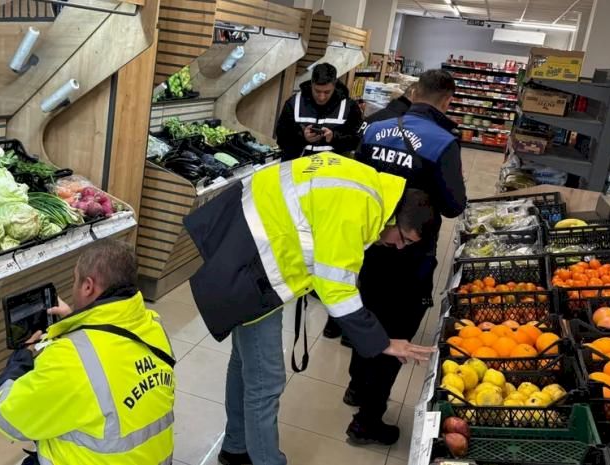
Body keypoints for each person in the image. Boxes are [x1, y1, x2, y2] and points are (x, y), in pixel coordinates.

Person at [182, 152, 438, 465]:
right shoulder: (357, 210)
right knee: (267, 381)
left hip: (239, 233)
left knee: (244, 363)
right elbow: (336, 288)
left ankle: (236, 447)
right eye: (404, 238)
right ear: (396, 216)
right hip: (250, 260)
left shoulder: (371, 185)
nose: (399, 247)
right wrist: (382, 342)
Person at [343, 69, 467, 446]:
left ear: (414, 92)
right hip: (410, 253)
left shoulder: (375, 127)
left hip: (370, 242)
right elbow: (453, 205)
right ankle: (367, 420)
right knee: (397, 333)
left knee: (365, 311)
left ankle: (355, 387)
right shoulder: (443, 141)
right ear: (446, 101)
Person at [0, 239, 176, 465]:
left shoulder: (72, 358)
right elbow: (113, 358)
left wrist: (20, 359)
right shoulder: (153, 327)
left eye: (75, 280)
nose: (73, 286)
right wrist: (77, 322)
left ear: (88, 286)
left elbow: (9, 418)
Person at [323, 82, 419, 342]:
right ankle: (356, 329)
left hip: (357, 201)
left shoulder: (374, 120)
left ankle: (334, 325)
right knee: (367, 273)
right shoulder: (407, 126)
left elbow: (358, 154)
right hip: (385, 209)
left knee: (348, 266)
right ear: (415, 98)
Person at [274, 63, 363, 161]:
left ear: (334, 85)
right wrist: (302, 136)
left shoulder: (349, 106)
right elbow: (281, 138)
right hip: (297, 167)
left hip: (331, 171)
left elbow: (357, 141)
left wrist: (333, 137)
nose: (321, 97)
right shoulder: (294, 103)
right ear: (311, 84)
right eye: (317, 91)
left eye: (327, 92)